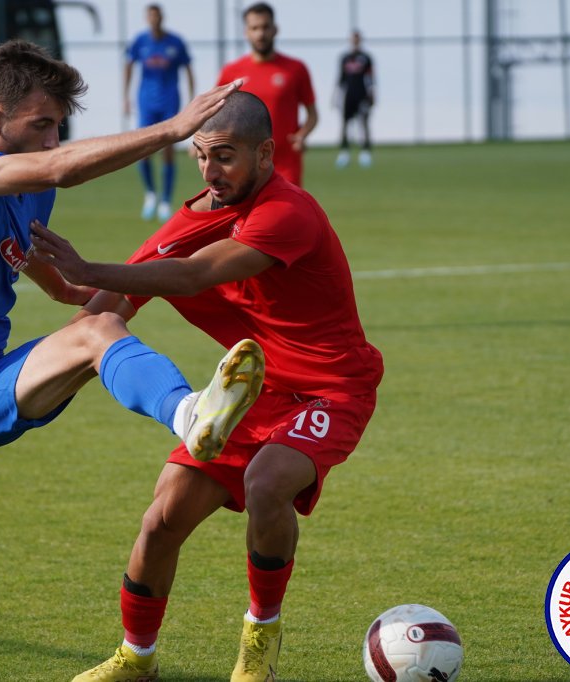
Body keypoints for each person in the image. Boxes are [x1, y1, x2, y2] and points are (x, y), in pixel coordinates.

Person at [0, 40, 263, 682]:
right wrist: (175, 129)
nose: (51, 139)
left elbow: (24, 251)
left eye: (58, 127)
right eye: (40, 124)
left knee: (98, 327)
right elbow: (59, 170)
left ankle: (190, 415)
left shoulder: (29, 194)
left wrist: (70, 290)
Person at [31, 91, 384, 682]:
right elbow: (114, 303)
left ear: (266, 153)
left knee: (266, 480)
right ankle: (134, 659)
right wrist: (51, 369)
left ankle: (260, 640)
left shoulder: (288, 213)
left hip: (332, 389)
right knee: (161, 518)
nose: (209, 171)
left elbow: (192, 274)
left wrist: (86, 268)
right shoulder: (198, 214)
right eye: (200, 156)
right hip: (253, 391)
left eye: (224, 157)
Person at [216, 2, 317, 187]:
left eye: (265, 27)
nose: (260, 34)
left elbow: (312, 115)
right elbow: (215, 113)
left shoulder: (295, 69)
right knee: (248, 216)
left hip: (286, 164)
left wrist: (302, 135)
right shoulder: (231, 72)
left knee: (286, 215)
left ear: (275, 29)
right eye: (254, 28)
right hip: (245, 165)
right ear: (246, 32)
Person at [124, 3, 194, 221]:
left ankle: (165, 200)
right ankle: (150, 193)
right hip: (146, 102)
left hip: (170, 101)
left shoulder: (176, 42)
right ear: (147, 18)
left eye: (157, 15)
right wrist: (125, 97)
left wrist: (192, 98)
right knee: (142, 149)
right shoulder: (140, 41)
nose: (154, 19)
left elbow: (188, 69)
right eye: (151, 16)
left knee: (168, 150)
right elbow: (128, 65)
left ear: (162, 17)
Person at [336, 30, 376, 169]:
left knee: (363, 122)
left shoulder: (366, 58)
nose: (355, 41)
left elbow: (371, 77)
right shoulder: (345, 58)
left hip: (362, 94)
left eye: (357, 38)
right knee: (345, 124)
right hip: (348, 95)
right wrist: (336, 97)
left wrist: (372, 94)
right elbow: (340, 79)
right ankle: (344, 152)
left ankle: (365, 152)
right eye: (353, 38)